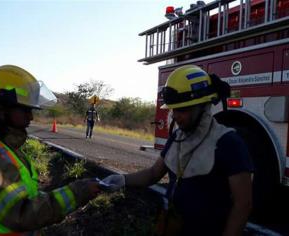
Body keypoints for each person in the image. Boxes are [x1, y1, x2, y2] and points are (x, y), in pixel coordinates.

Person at [103, 65, 253, 236]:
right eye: (173, 108)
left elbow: (243, 204)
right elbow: (153, 173)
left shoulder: (228, 142)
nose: (174, 115)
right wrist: (121, 180)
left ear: (202, 106)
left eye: (182, 109)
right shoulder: (178, 137)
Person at [0, 65, 100, 235]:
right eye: (25, 110)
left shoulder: (4, 148)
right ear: (2, 110)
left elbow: (28, 197)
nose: (31, 117)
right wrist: (77, 192)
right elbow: (23, 214)